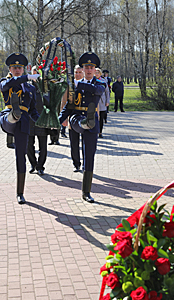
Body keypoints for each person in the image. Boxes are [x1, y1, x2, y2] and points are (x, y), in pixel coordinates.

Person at [59, 52, 105, 202]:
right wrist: (59, 119)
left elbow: (97, 91)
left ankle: (86, 192)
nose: (89, 69)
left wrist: (78, 84)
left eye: (92, 67)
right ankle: (84, 122)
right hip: (77, 117)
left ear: (95, 69)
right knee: (79, 124)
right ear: (83, 69)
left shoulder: (99, 84)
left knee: (89, 156)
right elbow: (69, 104)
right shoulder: (75, 86)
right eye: (87, 67)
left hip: (92, 121)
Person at [0, 53, 40, 204]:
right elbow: (6, 86)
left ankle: (20, 192)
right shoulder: (6, 81)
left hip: (23, 122)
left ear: (23, 69)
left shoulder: (30, 88)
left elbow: (33, 110)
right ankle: (13, 115)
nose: (17, 70)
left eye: (20, 68)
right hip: (7, 117)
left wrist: (42, 120)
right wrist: (27, 77)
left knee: (21, 156)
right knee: (11, 118)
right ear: (10, 69)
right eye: (14, 67)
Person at [27, 66, 49, 176]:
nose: (36, 75)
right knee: (29, 145)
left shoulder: (46, 87)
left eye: (38, 73)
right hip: (29, 119)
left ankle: (40, 166)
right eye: (34, 73)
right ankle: (33, 164)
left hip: (42, 119)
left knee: (43, 145)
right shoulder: (27, 86)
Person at [67, 65, 85, 172]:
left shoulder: (86, 85)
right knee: (74, 142)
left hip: (84, 118)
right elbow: (64, 102)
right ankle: (76, 163)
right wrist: (64, 118)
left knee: (85, 142)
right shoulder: (70, 85)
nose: (77, 74)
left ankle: (85, 164)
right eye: (76, 72)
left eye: (79, 72)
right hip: (72, 117)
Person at [95, 68, 110, 138]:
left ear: (100, 74)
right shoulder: (92, 80)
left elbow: (107, 92)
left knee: (101, 118)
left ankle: (100, 132)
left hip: (102, 102)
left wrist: (107, 101)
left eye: (98, 72)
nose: (97, 74)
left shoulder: (103, 81)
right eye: (95, 72)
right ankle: (94, 131)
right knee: (94, 118)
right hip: (94, 102)